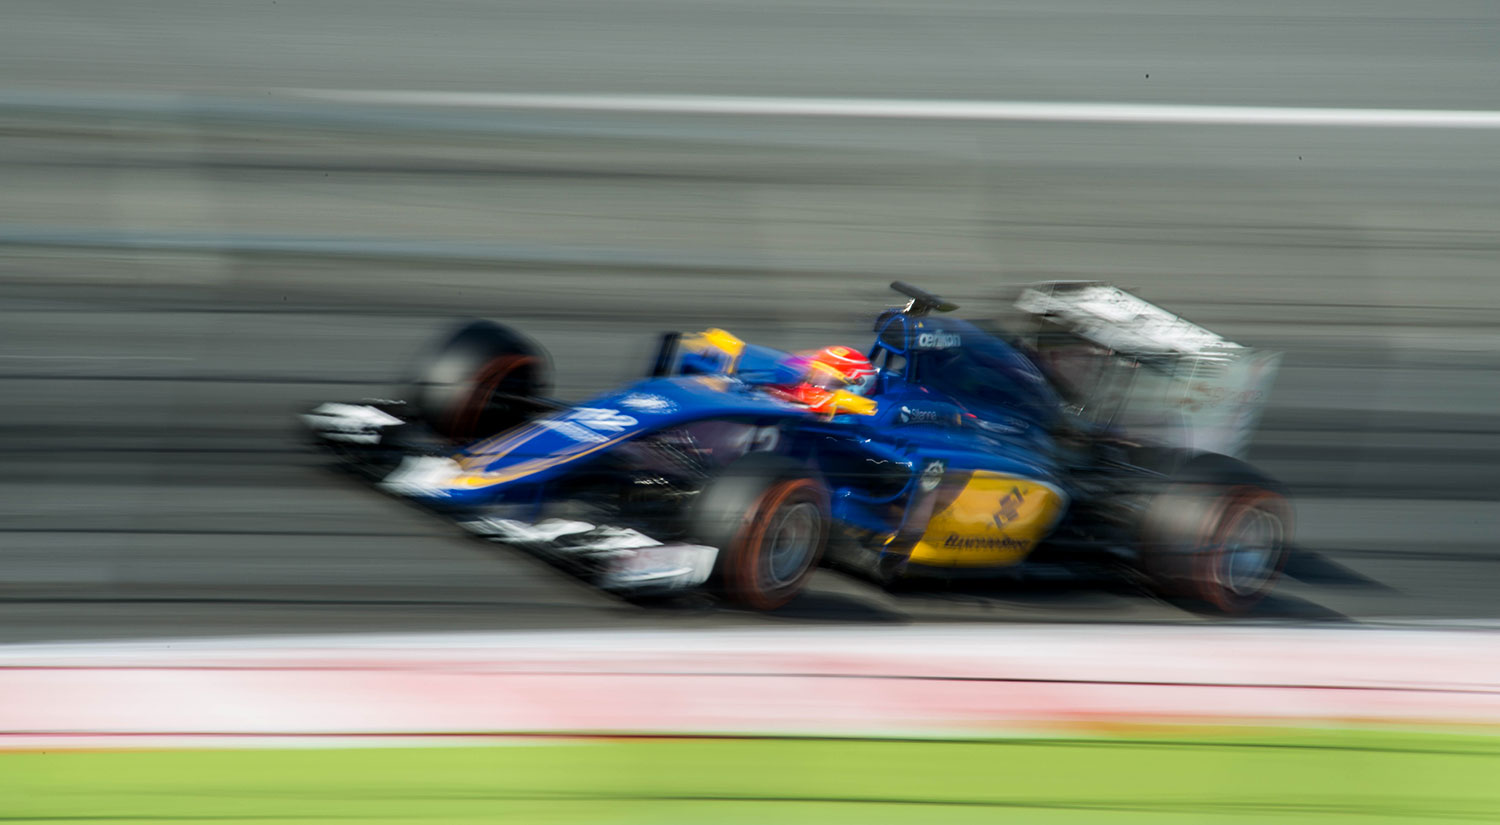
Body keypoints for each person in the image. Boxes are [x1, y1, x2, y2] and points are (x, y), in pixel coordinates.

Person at [767, 345, 878, 415]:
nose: (816, 383)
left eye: (832, 381)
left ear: (855, 387)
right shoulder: (797, 389)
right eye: (815, 373)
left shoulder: (859, 411)